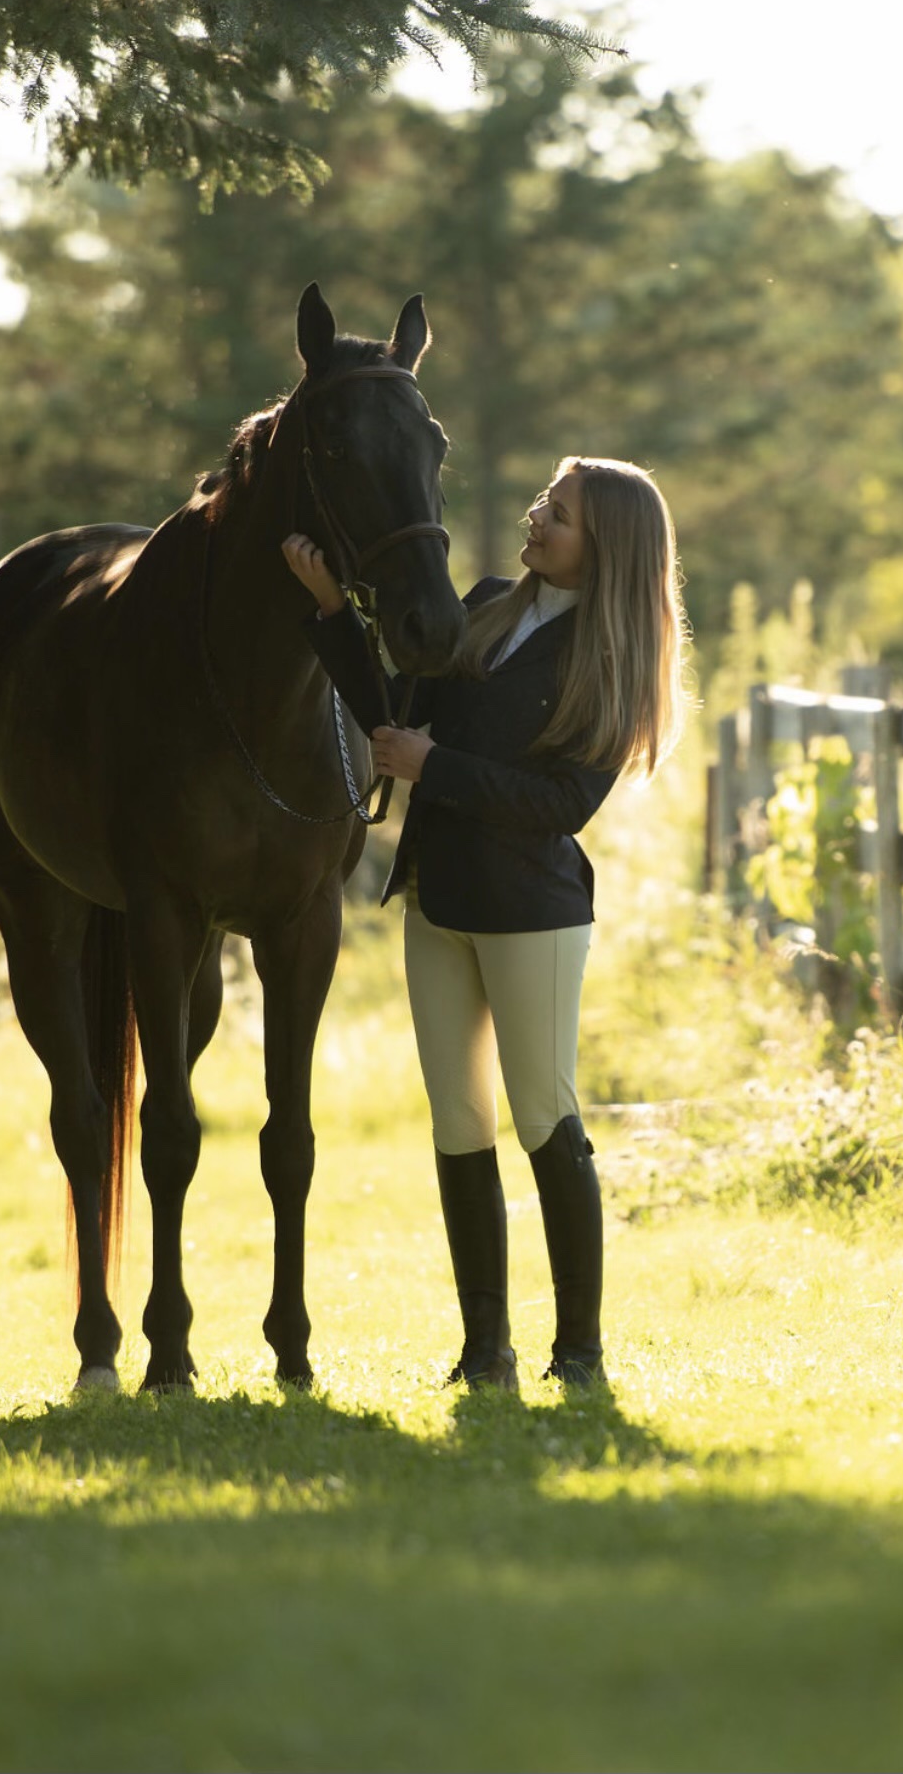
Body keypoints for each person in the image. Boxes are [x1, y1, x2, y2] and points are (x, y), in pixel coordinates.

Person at [282, 455, 689, 1392]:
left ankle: (578, 1355)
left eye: (563, 513)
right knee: (460, 1124)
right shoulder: (493, 602)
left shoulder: (612, 654)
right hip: (439, 899)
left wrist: (438, 770)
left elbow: (561, 804)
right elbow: (396, 712)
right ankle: (484, 1354)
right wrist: (331, 612)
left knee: (545, 1118)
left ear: (609, 546)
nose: (538, 517)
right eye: (546, 500)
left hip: (531, 916)